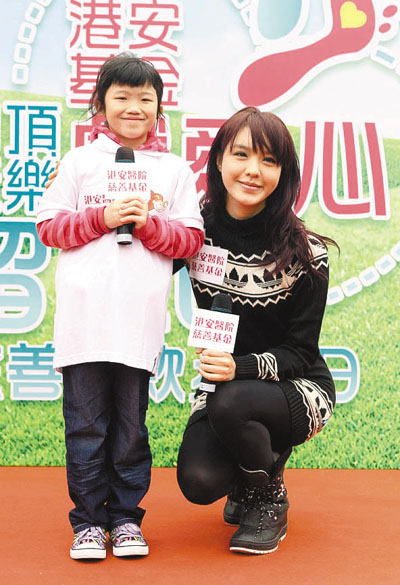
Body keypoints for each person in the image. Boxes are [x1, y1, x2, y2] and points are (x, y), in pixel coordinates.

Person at [36, 53, 204, 561]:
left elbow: (191, 241)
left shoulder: (173, 170)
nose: (134, 108)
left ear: (159, 108)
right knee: (86, 427)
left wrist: (148, 225)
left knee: (131, 429)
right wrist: (102, 217)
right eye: (122, 97)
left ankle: (127, 519)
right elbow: (49, 227)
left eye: (145, 99)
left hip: (137, 324)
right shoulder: (79, 162)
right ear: (101, 104)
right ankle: (89, 523)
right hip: (83, 325)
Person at [176, 106, 337, 555]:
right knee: (198, 481)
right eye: (241, 154)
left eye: (269, 160)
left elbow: (300, 352)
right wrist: (80, 199)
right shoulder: (193, 232)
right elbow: (138, 260)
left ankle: (268, 495)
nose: (253, 170)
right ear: (218, 160)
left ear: (283, 173)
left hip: (297, 387)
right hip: (222, 385)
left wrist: (239, 367)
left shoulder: (307, 252)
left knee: (233, 402)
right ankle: (248, 479)